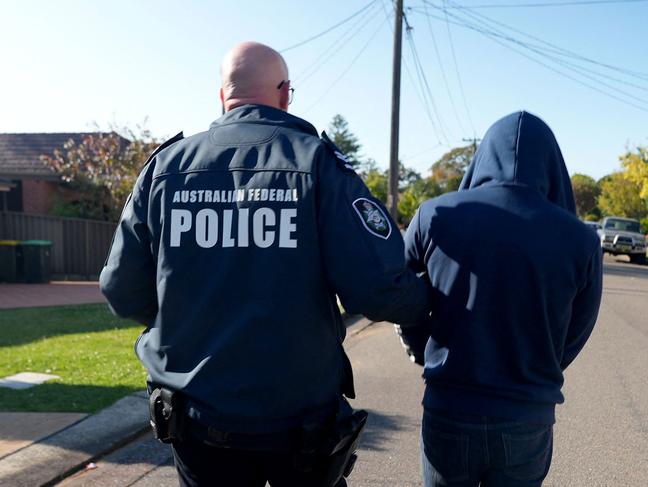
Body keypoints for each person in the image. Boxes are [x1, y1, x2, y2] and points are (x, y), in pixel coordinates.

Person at [100, 41, 432, 487]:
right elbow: (379, 286)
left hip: (198, 416)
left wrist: (182, 322)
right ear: (285, 92)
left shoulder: (165, 169)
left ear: (223, 96)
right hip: (299, 422)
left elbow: (121, 289)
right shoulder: (317, 163)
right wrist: (436, 305)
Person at [401, 111, 602, 487]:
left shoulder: (435, 216)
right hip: (527, 414)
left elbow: (397, 290)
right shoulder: (581, 240)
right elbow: (579, 326)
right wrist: (540, 364)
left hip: (450, 405)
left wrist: (419, 343)